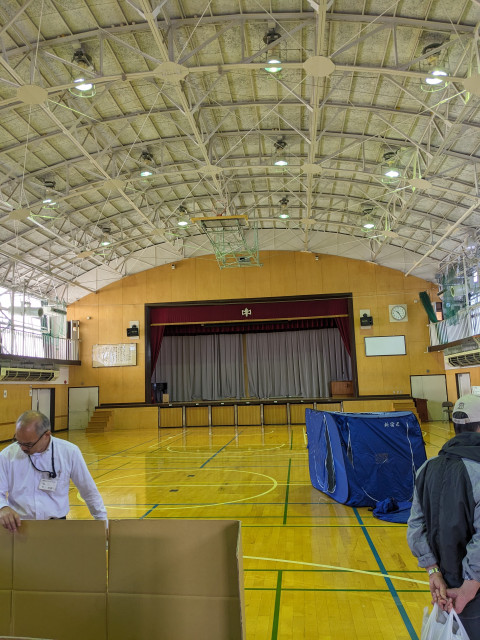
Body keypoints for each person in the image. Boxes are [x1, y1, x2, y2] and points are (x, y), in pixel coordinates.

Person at [407, 393, 480, 638]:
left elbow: (416, 526)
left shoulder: (427, 468)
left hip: (446, 589)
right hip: (472, 593)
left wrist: (433, 571)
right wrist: (470, 585)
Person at [0, 410, 107, 532]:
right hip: (19, 526)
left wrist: (103, 524)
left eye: (28, 444)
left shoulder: (69, 452)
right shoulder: (7, 456)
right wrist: (2, 507)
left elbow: (88, 490)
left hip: (57, 526)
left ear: (46, 435)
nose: (22, 448)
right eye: (18, 441)